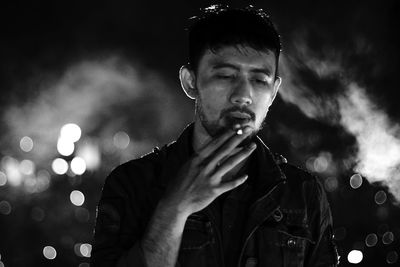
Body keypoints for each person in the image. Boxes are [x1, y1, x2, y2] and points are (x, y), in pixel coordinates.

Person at [91, 4, 339, 267]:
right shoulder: (133, 185)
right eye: (225, 75)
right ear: (190, 82)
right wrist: (174, 209)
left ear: (274, 91)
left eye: (259, 80)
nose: (243, 95)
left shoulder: (302, 194)